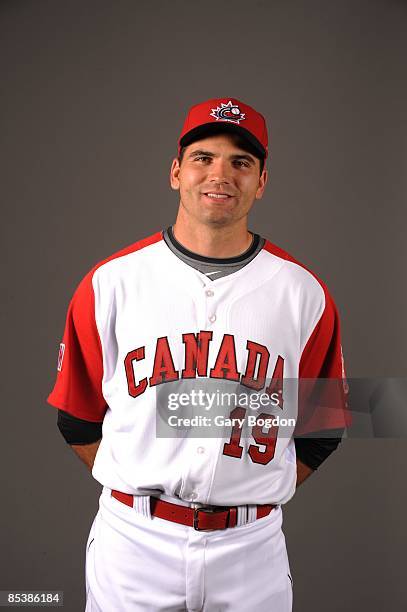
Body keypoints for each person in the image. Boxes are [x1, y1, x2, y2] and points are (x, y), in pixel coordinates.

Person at [47, 97, 348, 611]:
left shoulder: (304, 293)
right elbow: (77, 420)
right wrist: (144, 481)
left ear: (262, 181)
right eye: (203, 157)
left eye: (241, 162)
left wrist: (249, 487)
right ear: (176, 171)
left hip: (251, 551)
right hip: (134, 546)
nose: (221, 174)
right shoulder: (111, 283)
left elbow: (322, 431)